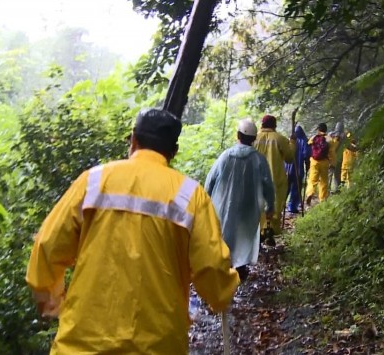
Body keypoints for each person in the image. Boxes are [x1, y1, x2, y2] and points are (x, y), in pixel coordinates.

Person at [25, 108, 240, 354]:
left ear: (133, 140)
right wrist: (222, 292)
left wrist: (53, 304)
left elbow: (46, 246)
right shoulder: (190, 196)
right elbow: (212, 270)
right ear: (174, 152)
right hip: (158, 345)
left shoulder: (93, 181)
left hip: (82, 343)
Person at [205, 119, 275, 282]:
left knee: (224, 233)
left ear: (238, 135)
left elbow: (210, 180)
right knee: (243, 236)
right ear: (253, 139)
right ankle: (240, 268)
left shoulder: (225, 156)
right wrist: (270, 206)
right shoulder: (259, 159)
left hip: (224, 205)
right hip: (248, 207)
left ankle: (223, 266)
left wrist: (206, 200)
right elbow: (268, 185)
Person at [253, 114, 296, 236]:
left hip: (257, 178)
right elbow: (289, 158)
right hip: (276, 178)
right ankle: (272, 231)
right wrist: (293, 143)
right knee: (275, 205)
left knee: (258, 203)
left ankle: (259, 231)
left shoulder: (254, 138)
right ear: (274, 125)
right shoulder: (280, 139)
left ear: (262, 125)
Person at [284, 125, 311, 213]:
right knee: (296, 188)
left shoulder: (290, 140)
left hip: (287, 169)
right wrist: (307, 164)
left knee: (285, 188)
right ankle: (292, 206)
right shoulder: (304, 141)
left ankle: (281, 204)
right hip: (298, 170)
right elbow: (307, 154)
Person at [305, 123, 330, 205]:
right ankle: (322, 199)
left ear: (318, 129)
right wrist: (332, 162)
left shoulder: (314, 137)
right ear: (326, 130)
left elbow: (309, 145)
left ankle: (310, 193)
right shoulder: (329, 138)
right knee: (323, 181)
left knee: (312, 179)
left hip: (314, 161)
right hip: (325, 162)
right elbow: (332, 151)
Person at [328, 122, 345, 193]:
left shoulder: (330, 134)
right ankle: (337, 189)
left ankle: (326, 190)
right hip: (338, 158)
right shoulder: (343, 136)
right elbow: (349, 146)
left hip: (330, 157)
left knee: (329, 174)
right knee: (337, 174)